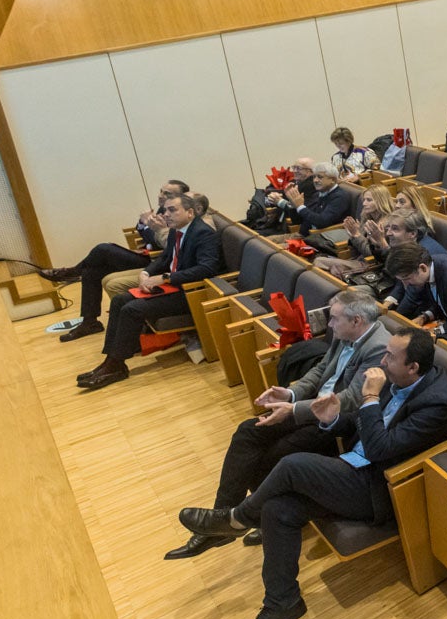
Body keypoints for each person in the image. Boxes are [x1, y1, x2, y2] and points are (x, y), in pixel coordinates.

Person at [178, 326, 447, 619]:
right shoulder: (394, 378)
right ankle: (283, 602)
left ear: (413, 368)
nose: (381, 361)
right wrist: (332, 419)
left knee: (294, 464)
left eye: (391, 357)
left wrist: (368, 397)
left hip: (380, 489)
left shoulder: (436, 404)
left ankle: (236, 519)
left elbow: (380, 449)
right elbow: (355, 425)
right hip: (353, 466)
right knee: (278, 509)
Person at [163, 290, 390, 560]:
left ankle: (247, 519)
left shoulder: (378, 347)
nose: (329, 324)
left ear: (356, 321)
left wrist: (293, 409)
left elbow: (351, 400)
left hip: (336, 424)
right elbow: (321, 370)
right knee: (248, 431)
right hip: (310, 407)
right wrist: (290, 393)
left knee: (273, 454)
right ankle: (222, 519)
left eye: (335, 319)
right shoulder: (347, 334)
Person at [72, 193, 220, 390]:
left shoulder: (203, 233)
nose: (166, 214)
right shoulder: (178, 231)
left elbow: (207, 268)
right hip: (174, 287)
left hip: (191, 293)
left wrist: (165, 278)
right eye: (166, 210)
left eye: (172, 210)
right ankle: (112, 361)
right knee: (119, 301)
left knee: (132, 309)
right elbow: (164, 258)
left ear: (190, 212)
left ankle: (115, 364)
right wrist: (146, 273)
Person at [40, 178, 188, 329]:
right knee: (92, 271)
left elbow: (163, 242)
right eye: (161, 191)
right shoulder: (163, 210)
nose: (161, 195)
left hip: (156, 261)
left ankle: (72, 272)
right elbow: (147, 234)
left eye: (167, 194)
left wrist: (149, 227)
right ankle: (89, 322)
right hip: (149, 255)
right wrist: (144, 224)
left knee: (103, 249)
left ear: (181, 198)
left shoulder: (178, 215)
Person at [317, 184, 394, 277]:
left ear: (381, 201)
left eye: (369, 200)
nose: (364, 203)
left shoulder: (386, 225)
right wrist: (352, 235)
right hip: (357, 260)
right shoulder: (367, 217)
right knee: (328, 267)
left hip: (371, 265)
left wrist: (357, 235)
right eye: (364, 200)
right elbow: (356, 250)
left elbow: (372, 255)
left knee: (319, 262)